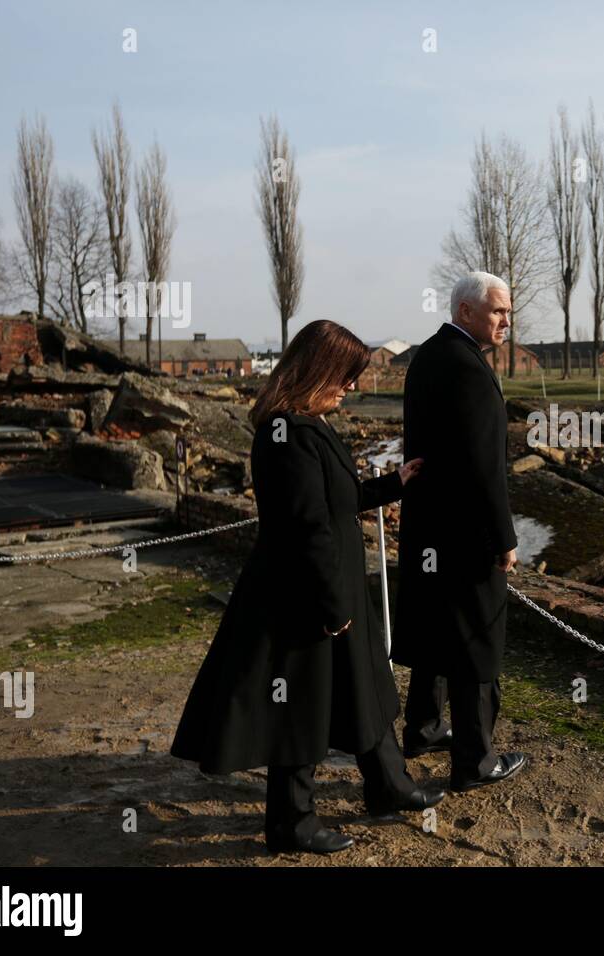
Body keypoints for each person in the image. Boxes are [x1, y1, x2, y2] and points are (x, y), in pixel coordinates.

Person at [170, 319, 444, 855]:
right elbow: (307, 527)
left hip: (329, 590)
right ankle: (291, 822)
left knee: (366, 688)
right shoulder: (285, 435)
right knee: (299, 707)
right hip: (304, 598)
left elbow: (334, 501)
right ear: (317, 372)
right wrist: (333, 605)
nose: (350, 387)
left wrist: (394, 484)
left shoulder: (305, 426)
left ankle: (388, 784)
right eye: (344, 376)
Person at [395, 272, 528, 791]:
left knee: (437, 628)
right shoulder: (469, 368)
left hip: (430, 525)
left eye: (508, 313)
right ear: (466, 311)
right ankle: (475, 761)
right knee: (476, 639)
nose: (506, 322)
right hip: (466, 533)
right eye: (498, 312)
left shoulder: (429, 355)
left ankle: (425, 728)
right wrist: (503, 537)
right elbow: (481, 466)